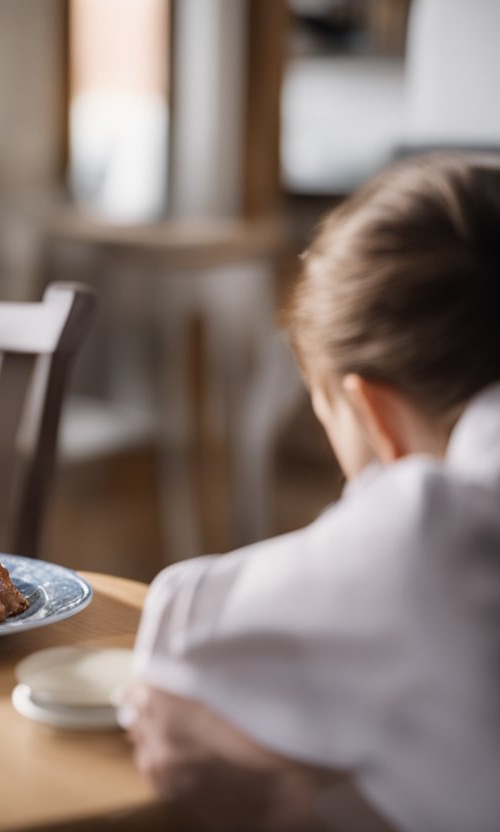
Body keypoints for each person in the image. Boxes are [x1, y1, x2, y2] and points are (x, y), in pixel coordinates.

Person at [120, 152, 500, 832]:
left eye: (330, 419)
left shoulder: (431, 525)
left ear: (375, 414)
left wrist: (274, 809)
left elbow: (181, 650)